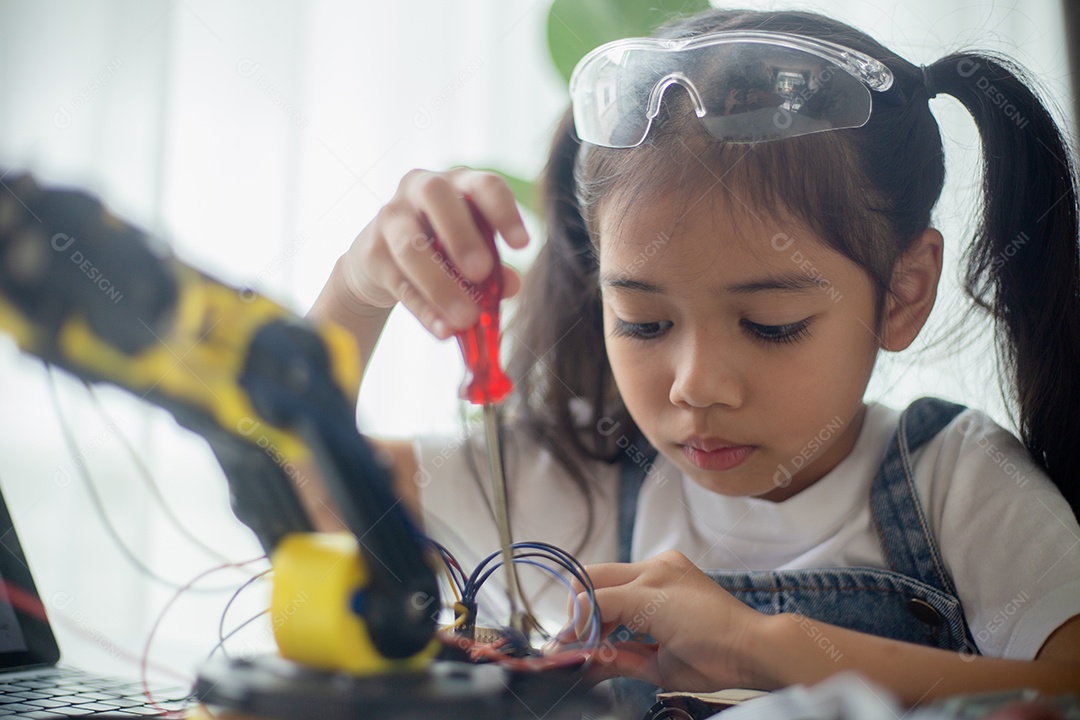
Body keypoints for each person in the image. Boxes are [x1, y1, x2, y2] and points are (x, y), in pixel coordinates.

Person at [307, 7, 1080, 712]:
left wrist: (762, 647)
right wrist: (357, 289)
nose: (695, 385)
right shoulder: (582, 476)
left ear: (904, 292)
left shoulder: (955, 485)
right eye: (643, 323)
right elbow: (295, 485)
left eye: (770, 324)